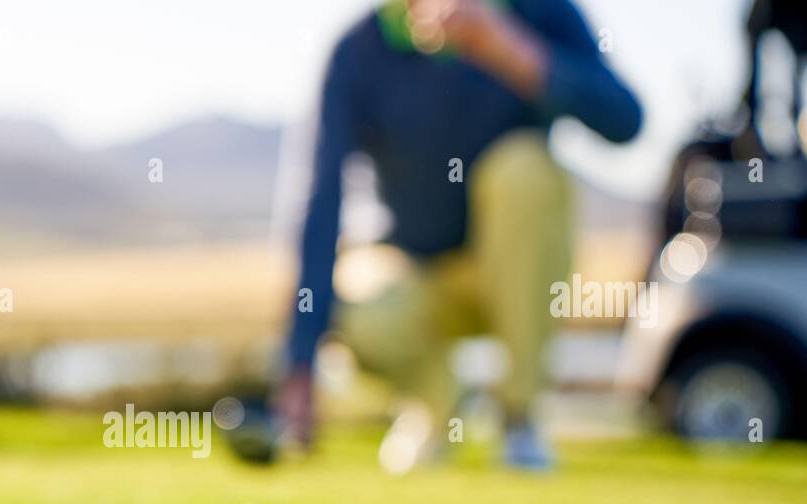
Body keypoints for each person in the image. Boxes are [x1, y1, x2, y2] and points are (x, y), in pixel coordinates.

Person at [274, 0, 642, 471]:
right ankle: (438, 404)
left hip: (516, 277)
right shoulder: (359, 48)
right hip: (415, 274)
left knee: (525, 171)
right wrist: (300, 364)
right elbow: (321, 196)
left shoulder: (540, 12)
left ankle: (520, 417)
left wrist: (507, 47)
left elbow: (625, 121)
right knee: (349, 291)